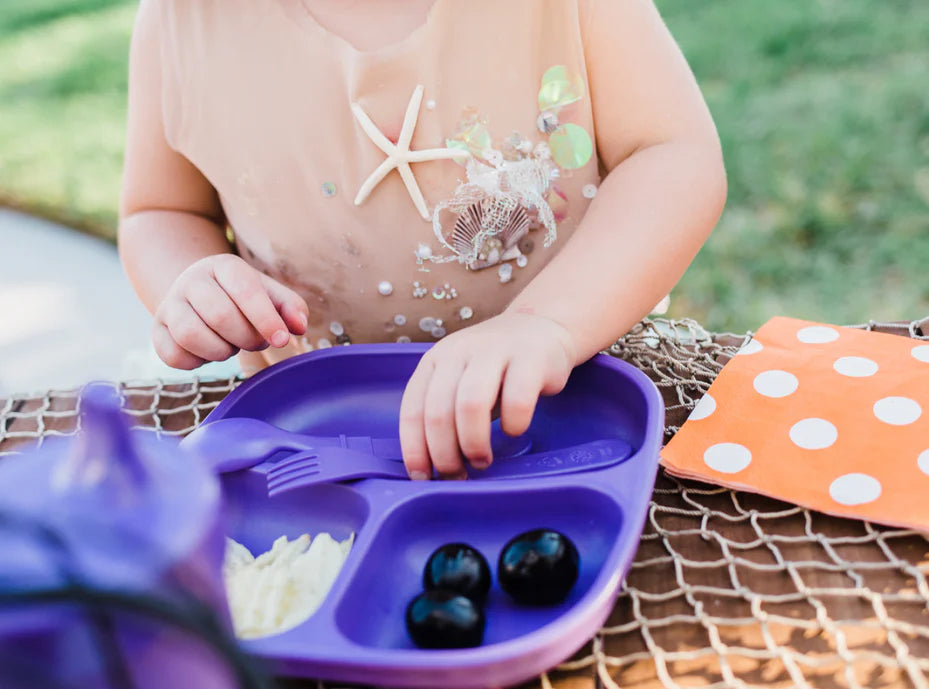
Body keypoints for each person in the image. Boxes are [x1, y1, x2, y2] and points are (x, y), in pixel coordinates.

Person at [119, 0, 726, 479]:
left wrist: (547, 324)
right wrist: (190, 279)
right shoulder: (182, 20)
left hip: (570, 397)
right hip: (314, 432)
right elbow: (159, 209)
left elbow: (672, 157)